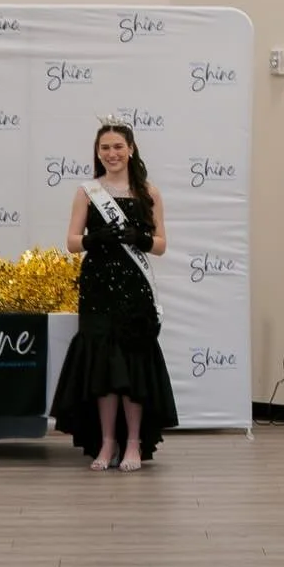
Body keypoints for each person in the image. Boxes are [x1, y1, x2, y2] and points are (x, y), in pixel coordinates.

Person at [53, 120, 178, 471]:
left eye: (118, 147)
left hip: (133, 288)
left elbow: (161, 245)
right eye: (105, 148)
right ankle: (107, 442)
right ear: (98, 152)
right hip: (98, 287)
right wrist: (98, 238)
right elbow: (72, 242)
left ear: (131, 149)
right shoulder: (87, 192)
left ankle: (134, 442)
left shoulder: (149, 193)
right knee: (103, 368)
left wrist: (138, 237)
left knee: (133, 365)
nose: (112, 154)